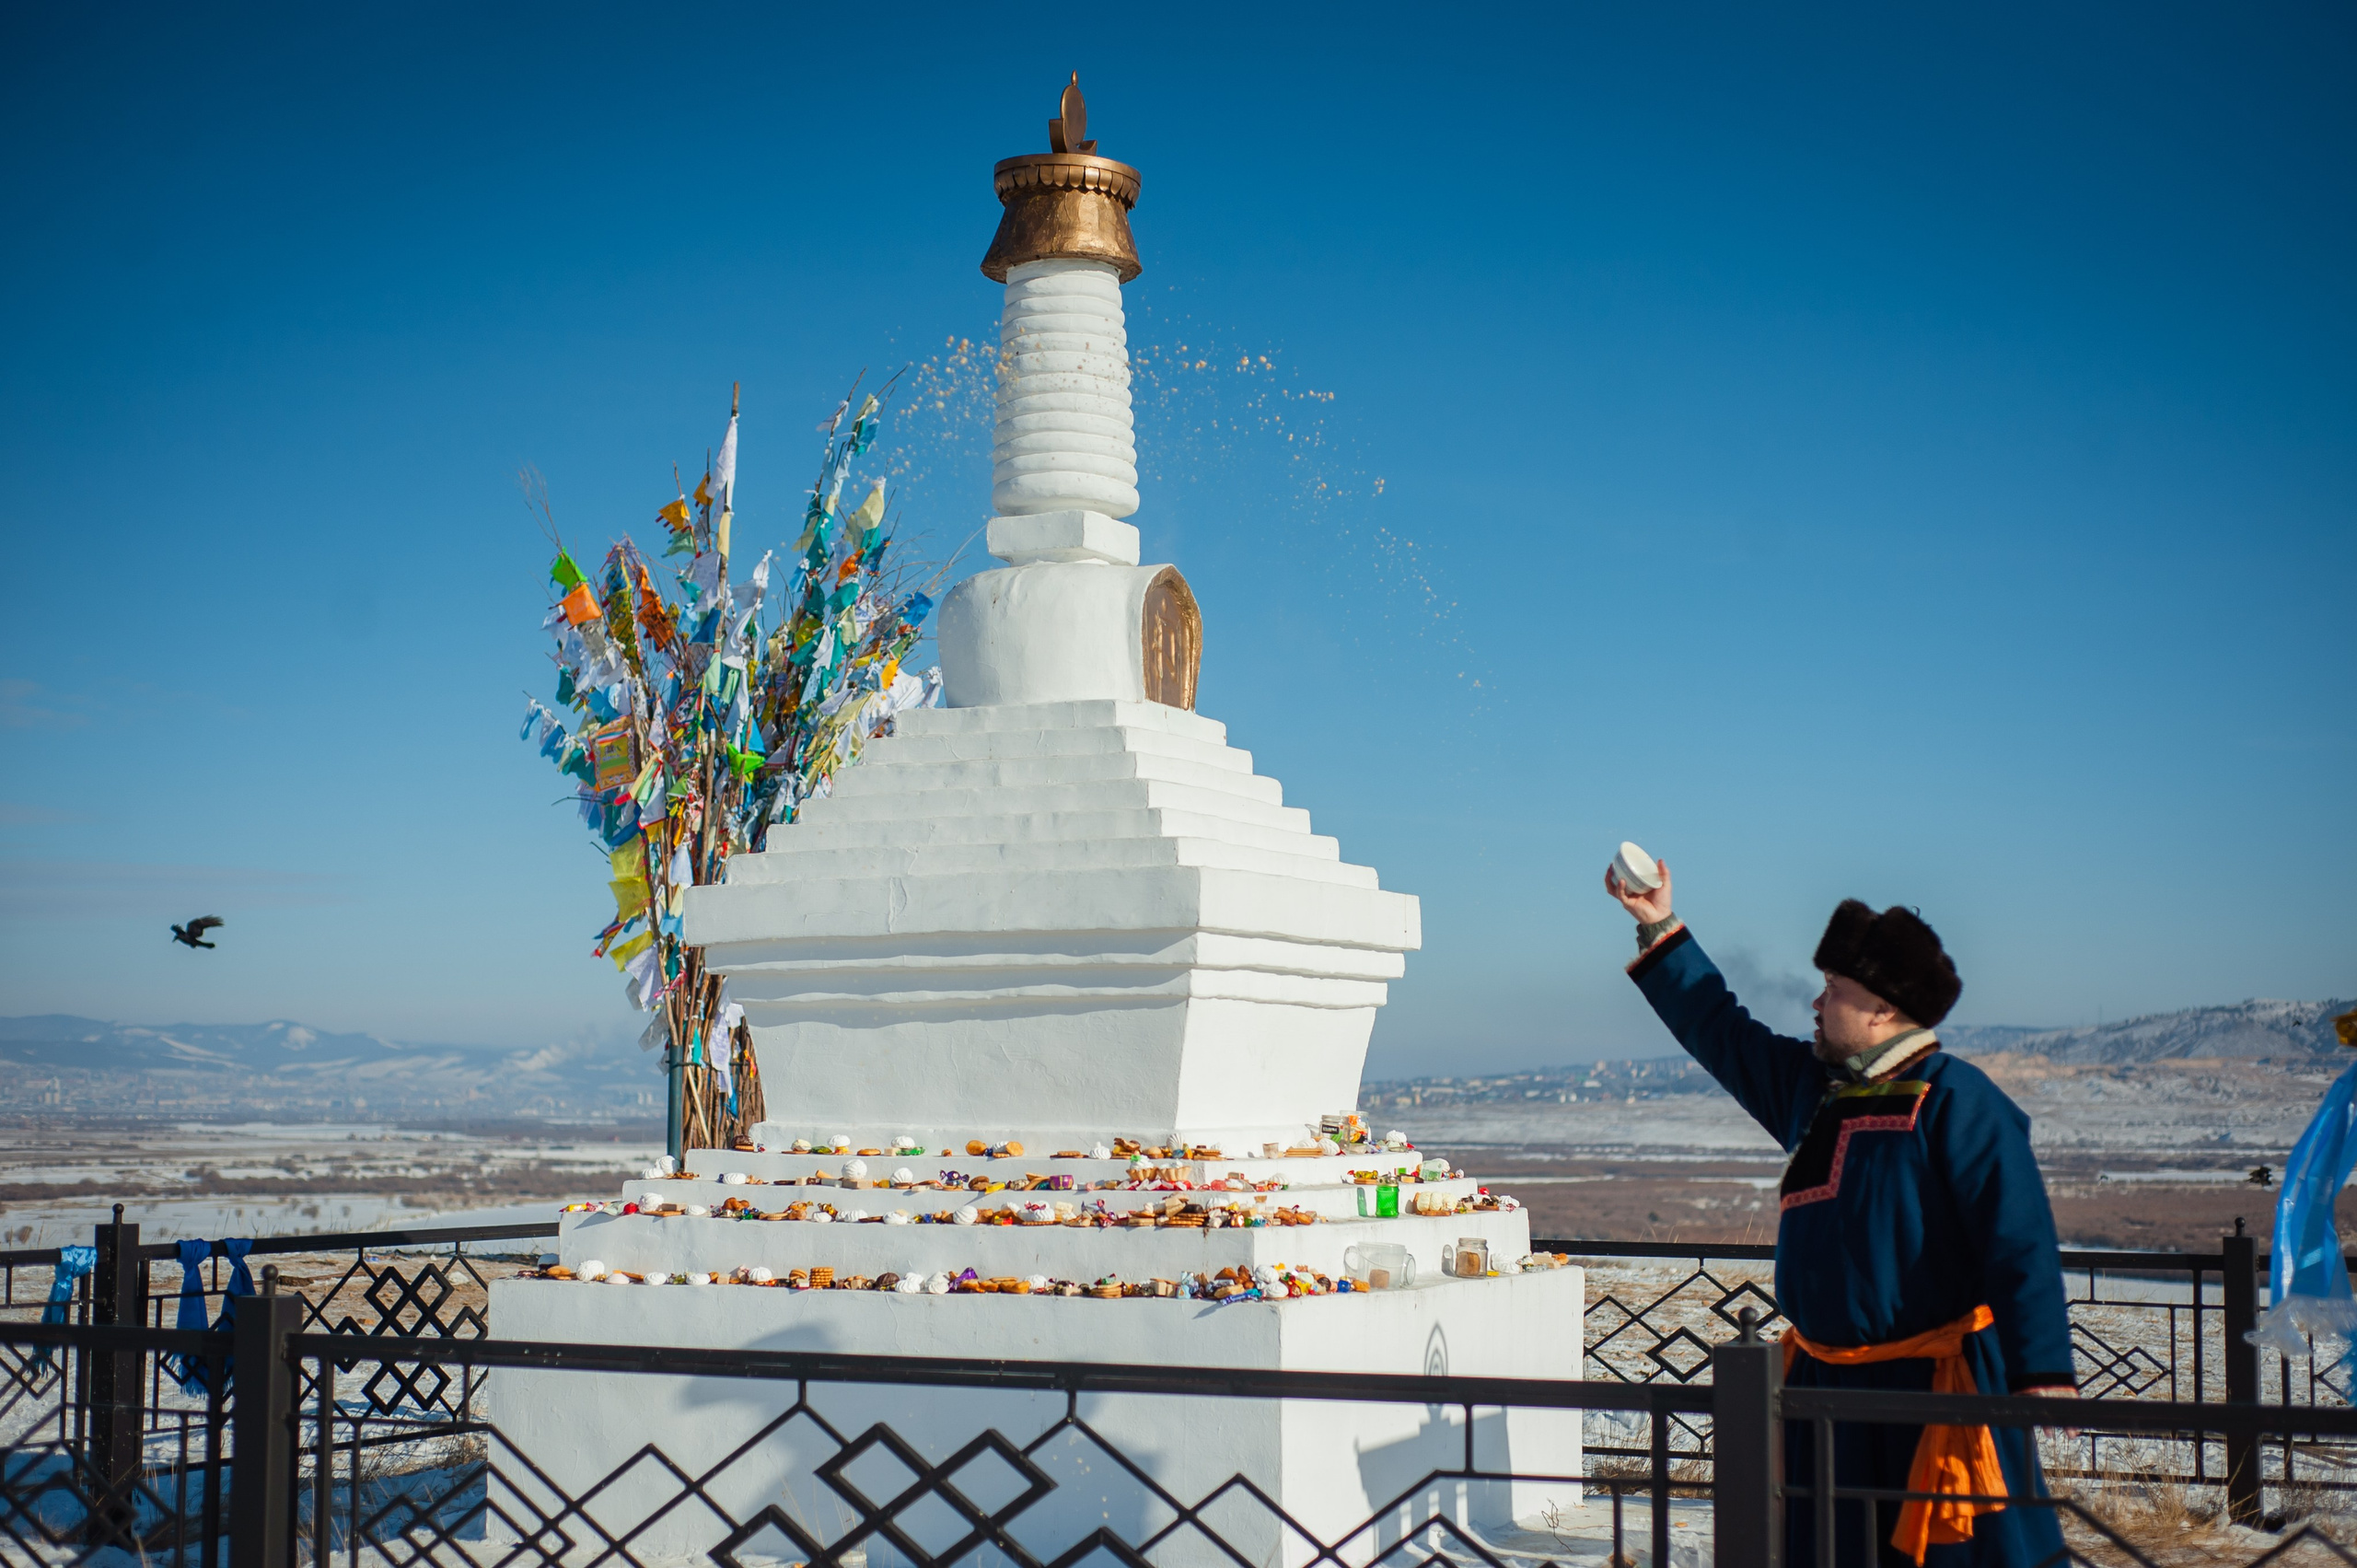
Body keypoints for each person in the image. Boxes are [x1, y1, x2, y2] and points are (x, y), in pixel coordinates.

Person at [1607, 856, 2076, 1568]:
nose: (1817, 1003)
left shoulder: (1959, 1100)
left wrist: (2042, 1367)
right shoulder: (1813, 1089)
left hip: (1932, 1397)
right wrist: (1659, 925)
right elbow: (1722, 1031)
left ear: (1883, 1008)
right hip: (1824, 1390)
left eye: (1834, 989)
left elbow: (2019, 1240)